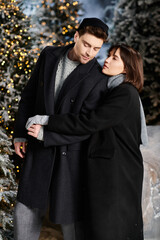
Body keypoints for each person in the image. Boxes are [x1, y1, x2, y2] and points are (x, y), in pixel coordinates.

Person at [27, 44, 148, 240]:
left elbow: (89, 122)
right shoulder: (114, 90)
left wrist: (48, 121)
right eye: (109, 55)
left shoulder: (125, 93)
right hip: (111, 172)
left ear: (127, 68)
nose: (107, 60)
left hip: (117, 175)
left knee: (111, 229)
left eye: (114, 58)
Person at [13, 18, 109, 240]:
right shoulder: (49, 55)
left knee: (70, 224)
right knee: (25, 210)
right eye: (86, 44)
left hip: (69, 156)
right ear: (76, 36)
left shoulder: (97, 77)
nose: (90, 53)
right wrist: (19, 133)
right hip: (37, 149)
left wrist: (46, 134)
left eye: (96, 48)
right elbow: (29, 96)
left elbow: (85, 125)